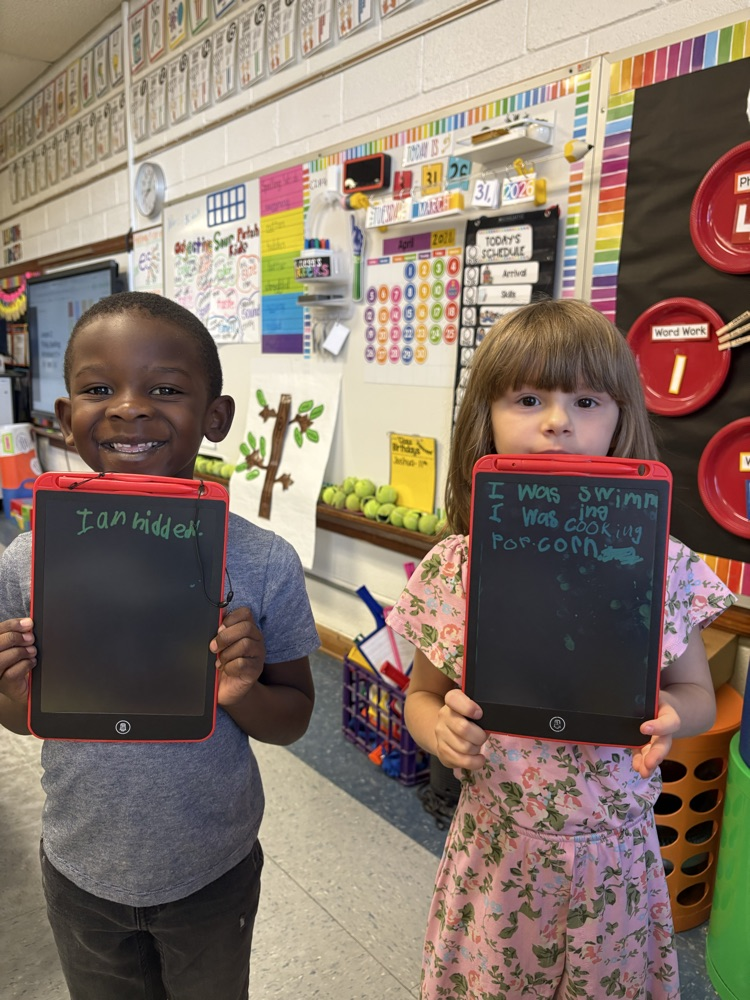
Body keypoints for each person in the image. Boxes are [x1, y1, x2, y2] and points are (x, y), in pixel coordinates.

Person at [386, 299, 735, 1000]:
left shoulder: (660, 566)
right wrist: (439, 732)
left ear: (620, 419)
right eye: (526, 397)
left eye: (585, 399)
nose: (557, 421)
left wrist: (673, 713)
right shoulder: (457, 567)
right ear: (485, 417)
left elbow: (699, 696)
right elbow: (422, 696)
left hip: (615, 859)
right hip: (497, 852)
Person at [0, 291, 319, 1000]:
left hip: (211, 869)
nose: (130, 407)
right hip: (80, 862)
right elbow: (19, 717)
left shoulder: (263, 563)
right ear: (65, 415)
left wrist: (242, 690)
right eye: (98, 388)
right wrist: (16, 691)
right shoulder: (29, 562)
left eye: (166, 388)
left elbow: (293, 716)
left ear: (216, 416)